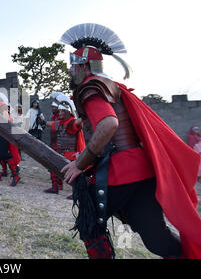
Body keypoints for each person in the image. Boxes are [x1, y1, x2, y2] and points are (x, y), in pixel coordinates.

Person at [59, 23, 201, 259]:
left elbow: (108, 124)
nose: (71, 72)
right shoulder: (112, 86)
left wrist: (80, 163)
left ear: (83, 66)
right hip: (142, 171)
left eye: (73, 67)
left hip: (120, 170)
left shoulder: (91, 87)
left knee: (90, 224)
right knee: (155, 236)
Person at [45, 101, 85, 194]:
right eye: (60, 111)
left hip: (71, 153)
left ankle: (75, 192)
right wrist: (42, 121)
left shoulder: (73, 123)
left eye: (63, 111)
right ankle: (55, 187)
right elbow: (50, 124)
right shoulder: (59, 123)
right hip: (60, 152)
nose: (60, 113)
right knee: (52, 166)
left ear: (68, 112)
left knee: (74, 174)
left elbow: (81, 121)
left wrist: (84, 115)